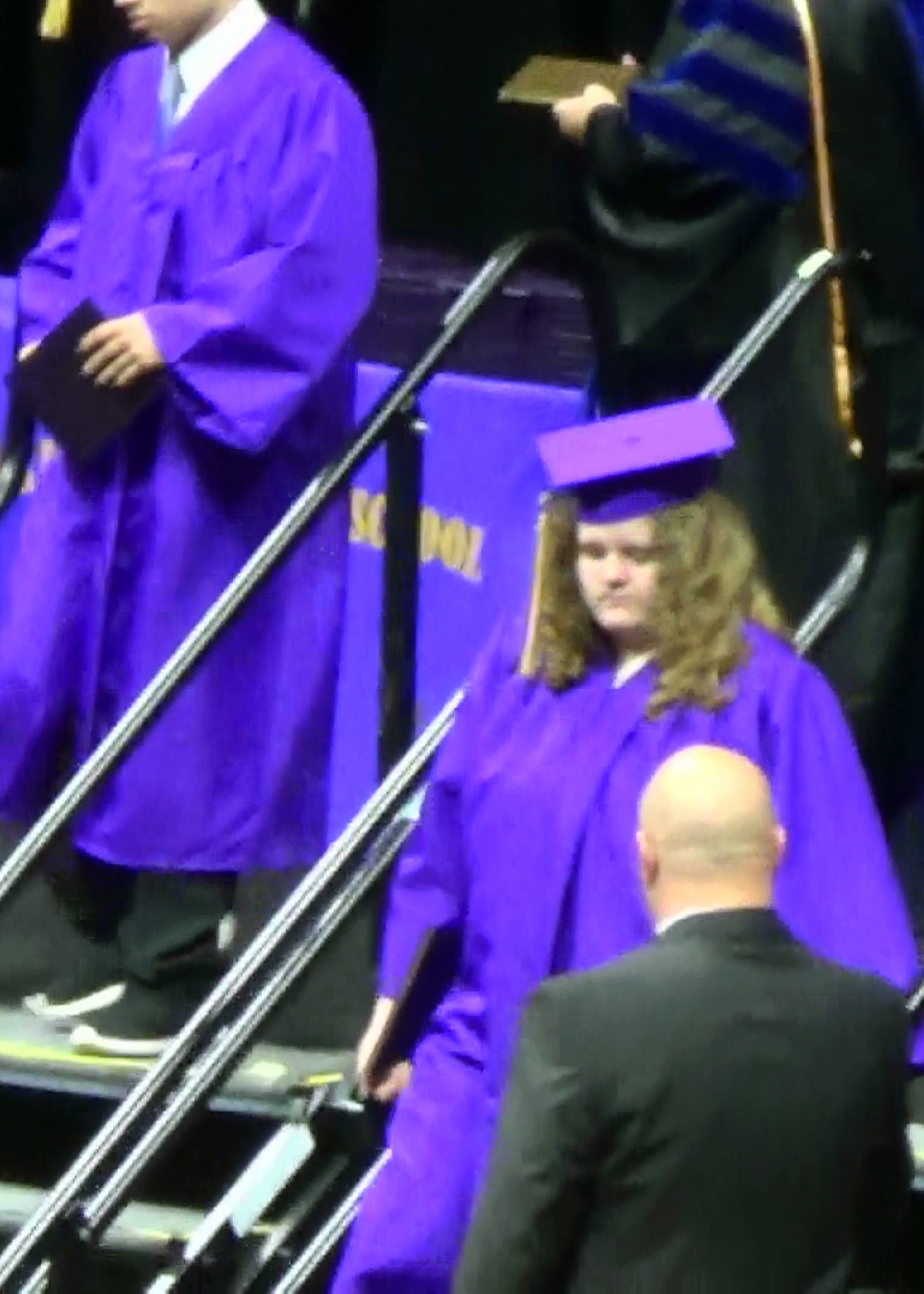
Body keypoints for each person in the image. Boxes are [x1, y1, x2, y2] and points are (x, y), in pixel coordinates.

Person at [330, 398, 920, 1293]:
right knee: (403, 1253)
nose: (609, 575)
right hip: (485, 1045)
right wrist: (394, 1006)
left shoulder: (767, 694)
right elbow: (443, 845)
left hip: (655, 1071)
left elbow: (838, 894)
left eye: (637, 555)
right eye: (591, 552)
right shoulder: (525, 672)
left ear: (693, 558)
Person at [0, 0, 378, 1055]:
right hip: (104, 449)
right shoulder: (127, 89)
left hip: (212, 467)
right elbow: (67, 237)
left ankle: (174, 967)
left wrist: (175, 333)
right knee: (59, 670)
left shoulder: (310, 104)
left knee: (196, 699)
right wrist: (46, 338)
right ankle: (99, 943)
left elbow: (316, 272)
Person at [549, 0, 924, 936]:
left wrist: (606, 126)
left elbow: (681, 168)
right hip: (875, 387)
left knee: (791, 678)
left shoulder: (768, 8)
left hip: (796, 406)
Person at [456, 745, 912, 1294]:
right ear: (778, 850)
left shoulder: (575, 1019)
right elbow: (884, 1245)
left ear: (645, 858)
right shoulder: (872, 1017)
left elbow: (504, 1267)